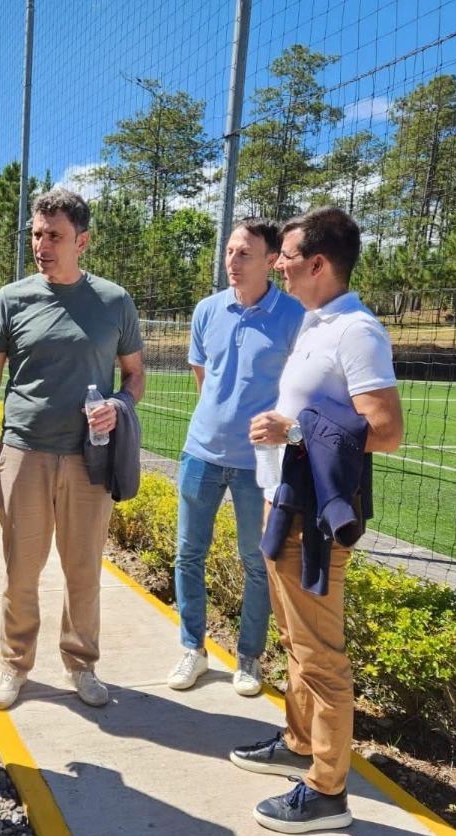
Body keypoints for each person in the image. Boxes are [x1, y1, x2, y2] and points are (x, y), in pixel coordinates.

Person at [231, 207, 403, 834]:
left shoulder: (356, 331)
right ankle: (300, 744)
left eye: (287, 255)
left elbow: (386, 430)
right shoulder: (315, 322)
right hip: (285, 505)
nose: (277, 263)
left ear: (319, 264)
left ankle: (328, 791)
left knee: (321, 655)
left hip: (315, 521)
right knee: (297, 644)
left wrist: (294, 427)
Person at [0, 188, 146, 711]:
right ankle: (15, 665)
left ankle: (81, 664)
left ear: (81, 241)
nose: (41, 244)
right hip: (24, 453)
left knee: (83, 569)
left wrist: (119, 405)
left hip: (90, 457)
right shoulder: (11, 299)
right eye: (36, 234)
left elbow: (134, 375)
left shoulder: (113, 302)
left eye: (53, 235)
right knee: (21, 568)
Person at [166, 218, 304, 696]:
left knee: (255, 560)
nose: (232, 261)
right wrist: (219, 420)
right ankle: (193, 650)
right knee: (188, 554)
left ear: (271, 260)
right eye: (229, 251)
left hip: (259, 463)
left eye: (244, 253)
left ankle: (248, 658)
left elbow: (302, 388)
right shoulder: (207, 310)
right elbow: (204, 377)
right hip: (200, 453)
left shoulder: (294, 316)